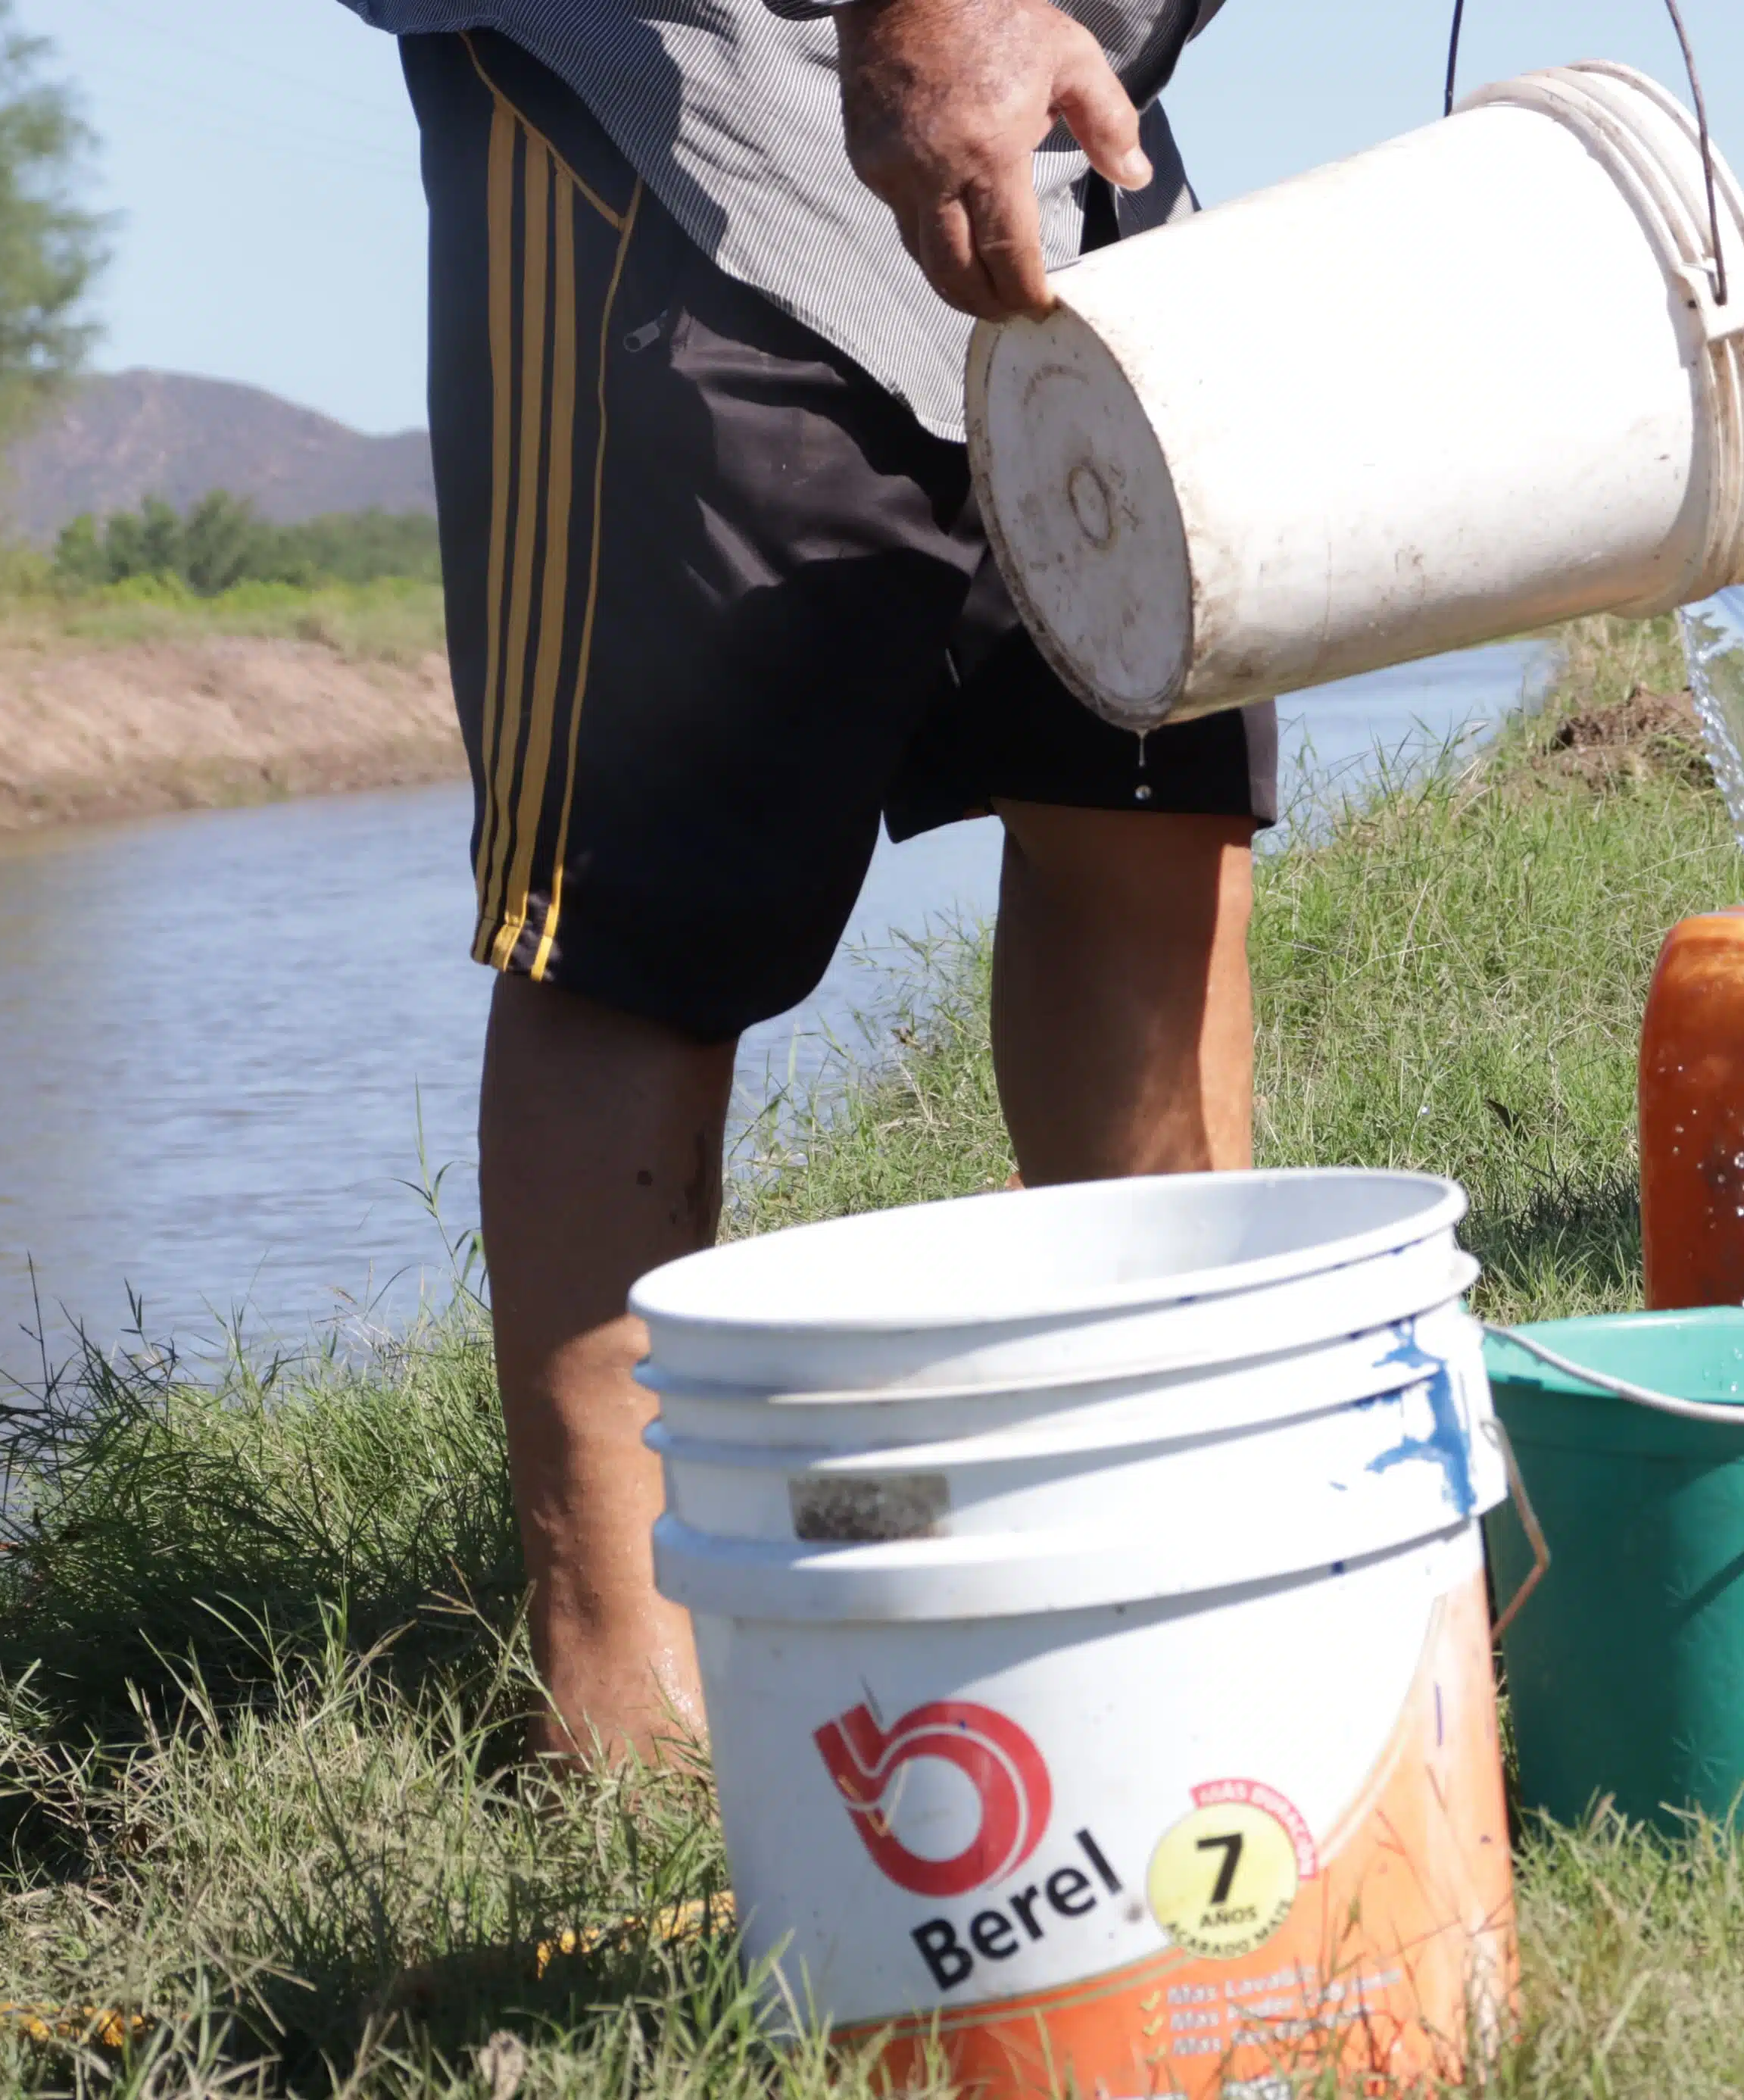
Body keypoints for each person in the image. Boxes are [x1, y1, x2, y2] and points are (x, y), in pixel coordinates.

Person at [331, 0, 1265, 1765]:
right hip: (698, 118)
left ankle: (1179, 1522)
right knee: (641, 917)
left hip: (1068, 105)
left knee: (1143, 784)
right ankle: (622, 1709)